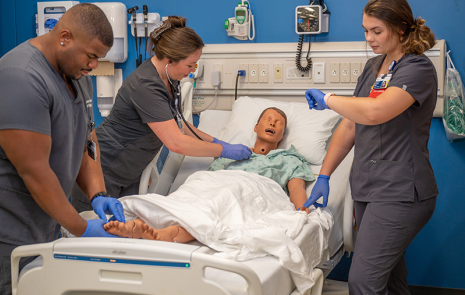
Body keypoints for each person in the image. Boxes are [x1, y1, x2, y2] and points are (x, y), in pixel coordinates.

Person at [0, 4, 126, 294]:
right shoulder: (21, 78)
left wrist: (98, 194)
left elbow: (86, 140)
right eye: (91, 56)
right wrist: (81, 227)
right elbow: (35, 171)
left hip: (36, 214)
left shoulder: (78, 77)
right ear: (64, 37)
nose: (93, 66)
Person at [303, 0, 438, 293]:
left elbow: (375, 112)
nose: (369, 38)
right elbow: (351, 124)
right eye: (366, 30)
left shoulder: (418, 69)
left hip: (401, 191)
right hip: (368, 188)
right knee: (389, 279)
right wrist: (324, 176)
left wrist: (327, 99)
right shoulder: (373, 66)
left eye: (376, 31)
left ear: (401, 29)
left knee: (363, 281)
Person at [71, 16, 252, 213]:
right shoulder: (146, 85)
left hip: (129, 171)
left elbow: (179, 125)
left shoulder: (169, 78)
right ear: (170, 60)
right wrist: (222, 150)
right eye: (190, 65)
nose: (192, 71)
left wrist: (220, 142)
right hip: (104, 169)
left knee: (124, 234)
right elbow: (176, 142)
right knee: (92, 236)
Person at [103, 107, 316, 241]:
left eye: (278, 123)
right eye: (268, 119)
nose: (272, 123)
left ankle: (167, 233)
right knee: (185, 196)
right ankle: (135, 224)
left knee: (221, 202)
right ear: (255, 126)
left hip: (249, 189)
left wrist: (301, 212)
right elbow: (206, 183)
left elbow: (296, 189)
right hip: (214, 183)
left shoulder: (289, 160)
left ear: (283, 133)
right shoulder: (230, 154)